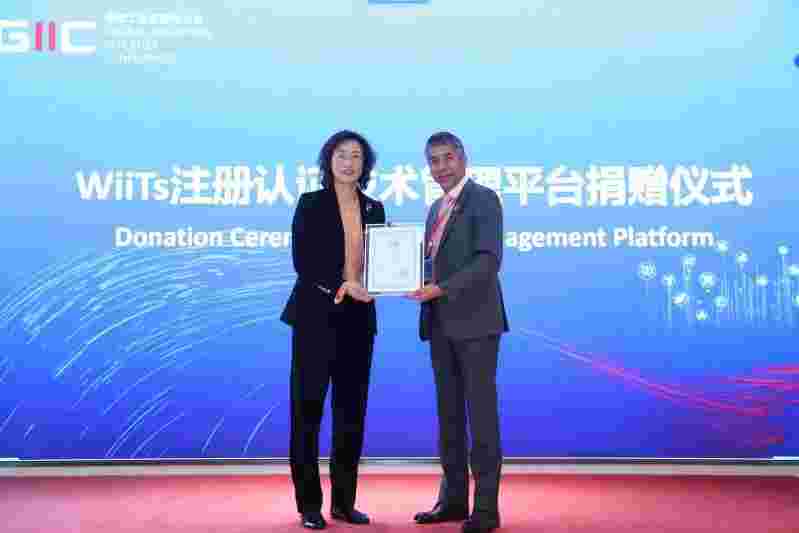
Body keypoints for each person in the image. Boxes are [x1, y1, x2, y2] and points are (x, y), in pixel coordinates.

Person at [280, 130, 386, 530]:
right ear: (329, 160)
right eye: (342, 155)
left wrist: (386, 281)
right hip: (315, 317)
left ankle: (344, 503)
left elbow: (381, 263)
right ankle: (309, 505)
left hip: (359, 320)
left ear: (365, 165)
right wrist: (342, 285)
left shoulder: (375, 208)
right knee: (306, 413)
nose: (348, 162)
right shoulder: (311, 203)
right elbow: (303, 262)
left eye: (356, 156)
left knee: (351, 414)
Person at [408, 132, 509, 533]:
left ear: (463, 158)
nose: (441, 167)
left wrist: (441, 288)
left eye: (448, 158)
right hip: (440, 325)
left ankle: (485, 509)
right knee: (448, 417)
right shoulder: (436, 209)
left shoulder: (484, 199)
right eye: (434, 161)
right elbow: (433, 262)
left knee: (481, 417)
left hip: (477, 324)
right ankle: (452, 501)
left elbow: (488, 262)